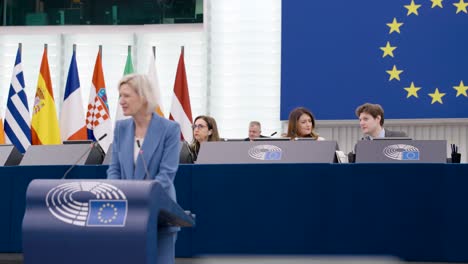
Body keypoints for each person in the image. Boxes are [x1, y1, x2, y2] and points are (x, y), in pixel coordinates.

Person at [107, 73, 180, 264]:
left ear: (143, 96)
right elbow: (114, 169)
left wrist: (139, 199)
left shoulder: (169, 129)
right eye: (120, 96)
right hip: (127, 216)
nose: (121, 101)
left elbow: (166, 174)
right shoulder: (121, 128)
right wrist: (119, 197)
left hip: (160, 216)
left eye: (126, 96)